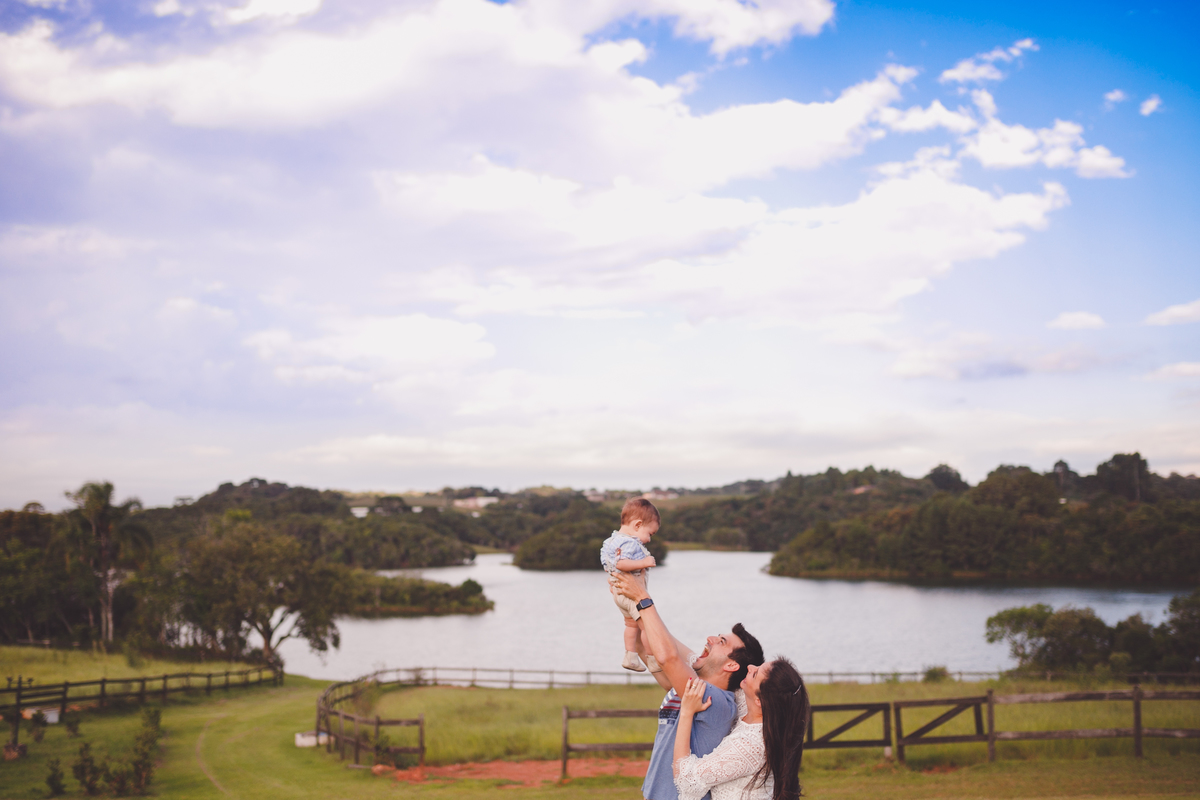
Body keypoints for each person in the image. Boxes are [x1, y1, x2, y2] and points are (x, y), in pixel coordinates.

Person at [611, 570, 764, 800]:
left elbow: (668, 657)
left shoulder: (717, 701)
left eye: (721, 642)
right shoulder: (690, 689)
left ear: (732, 666)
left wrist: (643, 598)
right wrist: (631, 603)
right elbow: (654, 646)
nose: (711, 638)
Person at [672, 657, 810, 800]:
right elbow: (696, 665)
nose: (750, 666)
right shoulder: (754, 710)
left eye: (755, 674)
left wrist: (686, 712)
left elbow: (687, 780)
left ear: (760, 701)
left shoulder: (750, 745)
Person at [600, 497, 661, 672]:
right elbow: (621, 564)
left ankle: (630, 656)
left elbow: (610, 566)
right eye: (649, 533)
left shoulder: (610, 541)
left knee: (630, 625)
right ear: (637, 525)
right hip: (631, 595)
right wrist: (645, 562)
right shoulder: (628, 542)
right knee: (646, 628)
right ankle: (652, 659)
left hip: (619, 594)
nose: (649, 539)